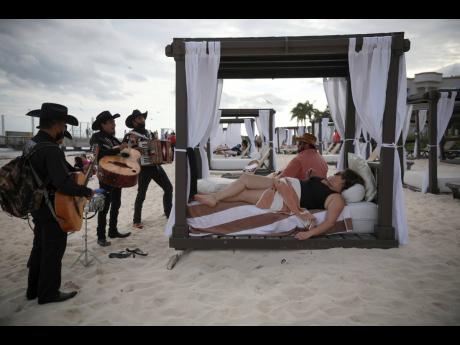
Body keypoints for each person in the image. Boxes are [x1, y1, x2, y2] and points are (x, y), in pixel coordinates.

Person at [24, 103, 95, 305]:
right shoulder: (51, 149)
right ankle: (48, 293)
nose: (64, 130)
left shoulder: (31, 144)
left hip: (36, 204)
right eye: (64, 125)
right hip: (52, 207)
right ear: (57, 124)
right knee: (53, 251)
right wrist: (86, 191)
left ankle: (33, 290)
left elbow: (50, 174)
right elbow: (62, 183)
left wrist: (78, 168)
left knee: (39, 246)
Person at [194, 169, 364, 240]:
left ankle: (213, 198)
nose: (334, 176)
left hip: (284, 199)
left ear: (345, 185)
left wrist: (309, 234)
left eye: (338, 177)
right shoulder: (325, 181)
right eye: (336, 174)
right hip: (282, 185)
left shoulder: (337, 199)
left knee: (243, 194)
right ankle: (214, 197)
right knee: (245, 178)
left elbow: (329, 222)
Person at [123, 110, 173, 229]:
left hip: (155, 166)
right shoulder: (129, 136)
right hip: (143, 168)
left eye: (143, 118)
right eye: (139, 119)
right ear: (134, 122)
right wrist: (134, 152)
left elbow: (156, 148)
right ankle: (136, 220)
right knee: (141, 194)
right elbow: (124, 152)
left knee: (168, 188)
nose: (142, 120)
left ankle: (168, 212)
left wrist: (163, 156)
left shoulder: (149, 133)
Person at [90, 111, 131, 247]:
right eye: (111, 122)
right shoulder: (96, 138)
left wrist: (127, 147)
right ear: (103, 124)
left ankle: (113, 231)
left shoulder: (113, 139)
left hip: (117, 175)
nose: (114, 124)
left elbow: (121, 154)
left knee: (116, 203)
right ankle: (100, 236)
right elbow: (97, 155)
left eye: (114, 122)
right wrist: (117, 149)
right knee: (104, 206)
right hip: (105, 176)